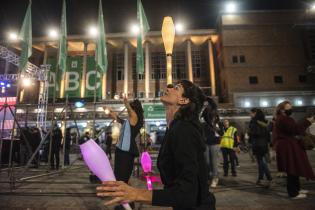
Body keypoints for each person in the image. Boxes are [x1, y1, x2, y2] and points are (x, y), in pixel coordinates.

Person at [97, 80, 216, 210]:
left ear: (184, 100)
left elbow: (187, 192)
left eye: (176, 88)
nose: (169, 87)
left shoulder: (184, 130)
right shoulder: (174, 128)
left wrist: (135, 193)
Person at [105, 96, 143, 210]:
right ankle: (127, 204)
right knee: (121, 179)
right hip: (122, 151)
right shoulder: (129, 121)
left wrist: (125, 101)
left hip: (125, 152)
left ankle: (125, 205)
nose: (128, 110)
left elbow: (129, 110)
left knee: (122, 180)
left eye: (130, 108)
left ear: (133, 109)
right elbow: (117, 119)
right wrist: (110, 112)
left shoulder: (135, 117)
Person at [273, 101, 315, 199]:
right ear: (282, 110)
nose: (291, 109)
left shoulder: (282, 118)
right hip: (287, 147)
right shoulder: (284, 119)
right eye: (289, 107)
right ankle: (293, 193)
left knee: (294, 167)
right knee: (291, 168)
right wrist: (308, 122)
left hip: (288, 146)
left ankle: (297, 189)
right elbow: (295, 129)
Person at [201, 97, 223, 188]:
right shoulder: (202, 113)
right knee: (206, 161)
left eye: (206, 103)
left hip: (214, 141)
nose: (205, 104)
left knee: (214, 161)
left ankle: (215, 178)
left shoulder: (214, 113)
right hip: (205, 140)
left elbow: (217, 127)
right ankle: (209, 176)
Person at [248, 108, 272, 186]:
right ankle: (260, 178)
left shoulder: (254, 122)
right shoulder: (264, 121)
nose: (250, 114)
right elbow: (268, 134)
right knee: (260, 161)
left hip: (257, 144)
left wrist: (250, 133)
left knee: (261, 162)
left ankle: (268, 177)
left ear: (255, 113)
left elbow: (254, 133)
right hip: (264, 144)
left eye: (251, 113)